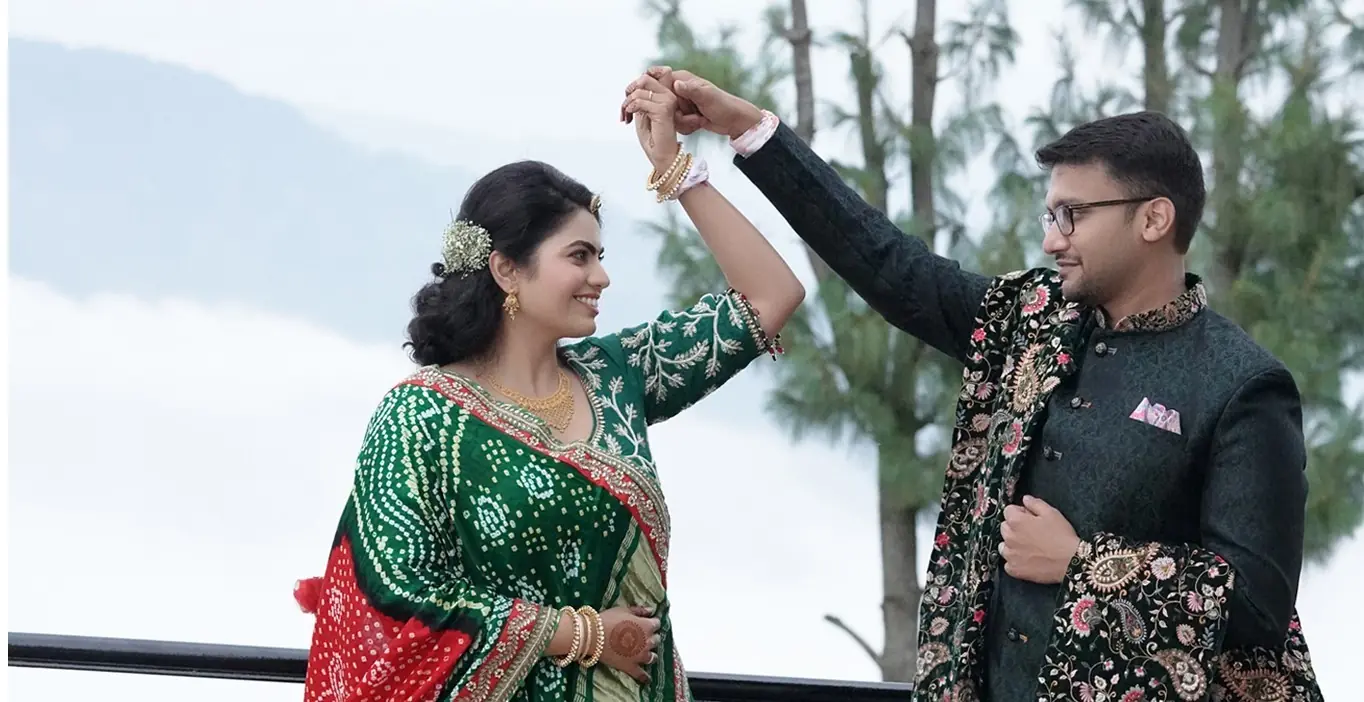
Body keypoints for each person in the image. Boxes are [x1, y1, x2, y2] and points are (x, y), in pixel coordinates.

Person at [639, 68, 1324, 701]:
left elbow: (1259, 607)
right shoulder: (1031, 321)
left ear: (1153, 218)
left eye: (1073, 215)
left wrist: (1084, 565)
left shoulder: (1243, 386)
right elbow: (891, 267)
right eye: (1050, 215)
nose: (1053, 239)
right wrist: (748, 130)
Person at [292, 73, 804, 702]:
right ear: (507, 269)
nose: (603, 276)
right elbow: (393, 599)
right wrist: (577, 634)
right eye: (580, 256)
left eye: (601, 254)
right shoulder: (420, 417)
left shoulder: (617, 375)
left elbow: (771, 296)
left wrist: (677, 171)